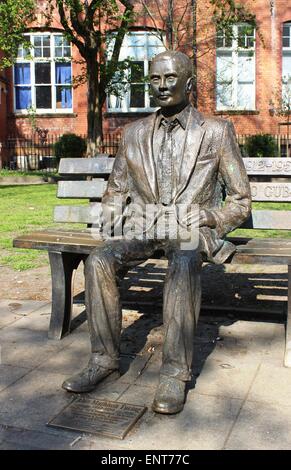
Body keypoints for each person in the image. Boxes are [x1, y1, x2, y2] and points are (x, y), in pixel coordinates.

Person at [62, 50, 251, 414]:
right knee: (99, 259)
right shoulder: (133, 134)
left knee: (182, 260)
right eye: (154, 79)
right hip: (144, 224)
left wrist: (212, 217)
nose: (161, 86)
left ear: (189, 84)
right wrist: (112, 215)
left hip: (188, 229)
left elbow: (241, 200)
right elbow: (116, 189)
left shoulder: (215, 131)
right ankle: (103, 361)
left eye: (169, 78)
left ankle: (174, 374)